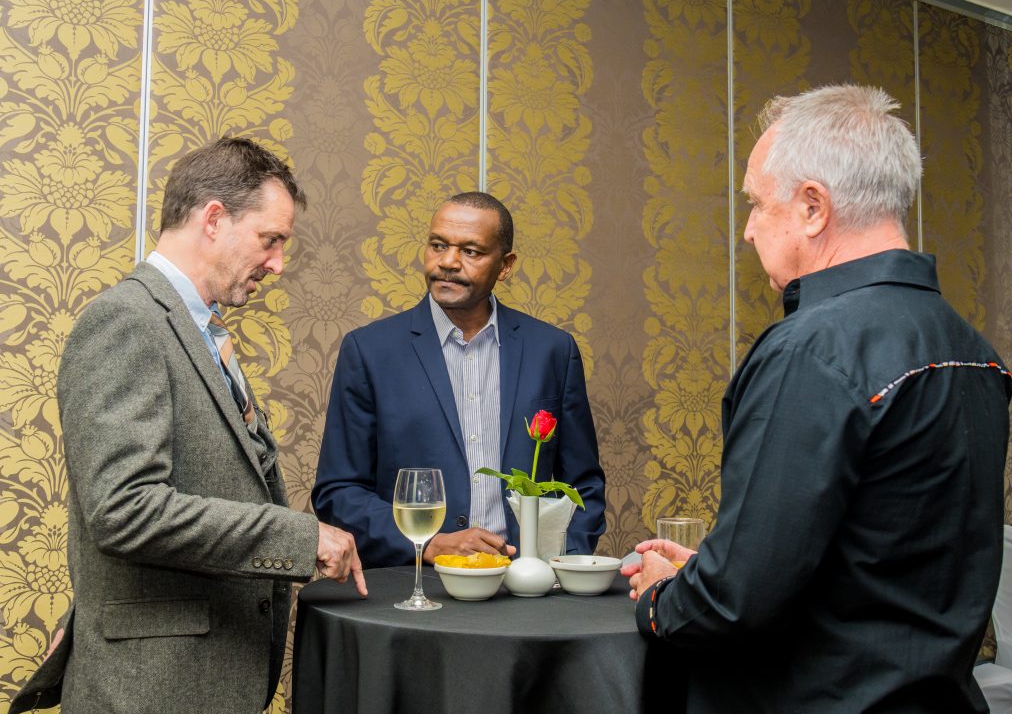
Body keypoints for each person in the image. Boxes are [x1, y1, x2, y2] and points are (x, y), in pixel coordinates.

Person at [624, 84, 1012, 712]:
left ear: (812, 207)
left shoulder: (809, 351)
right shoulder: (977, 350)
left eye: (754, 203)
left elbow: (733, 606)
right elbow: (881, 561)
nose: (748, 231)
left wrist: (663, 598)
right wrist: (717, 567)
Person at [10, 137, 367, 714]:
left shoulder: (198, 329)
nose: (278, 263)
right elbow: (124, 509)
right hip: (152, 690)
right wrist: (300, 539)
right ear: (214, 219)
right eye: (270, 239)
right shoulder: (126, 321)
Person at [313, 192, 606, 567]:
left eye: (471, 251)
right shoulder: (370, 351)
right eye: (438, 245)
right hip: (416, 585)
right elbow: (338, 493)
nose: (448, 262)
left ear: (505, 265)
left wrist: (561, 565)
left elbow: (583, 486)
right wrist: (431, 544)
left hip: (526, 590)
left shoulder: (552, 350)